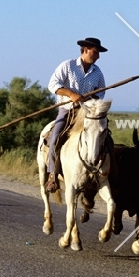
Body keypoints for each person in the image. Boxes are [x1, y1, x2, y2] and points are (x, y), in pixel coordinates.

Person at [45, 37, 108, 193]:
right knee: (55, 137)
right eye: (95, 52)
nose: (98, 56)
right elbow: (53, 85)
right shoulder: (67, 65)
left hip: (88, 113)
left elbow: (102, 93)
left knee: (106, 137)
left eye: (98, 53)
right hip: (68, 110)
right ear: (85, 50)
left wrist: (91, 99)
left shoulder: (97, 72)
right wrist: (71, 94)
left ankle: (103, 173)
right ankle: (52, 175)